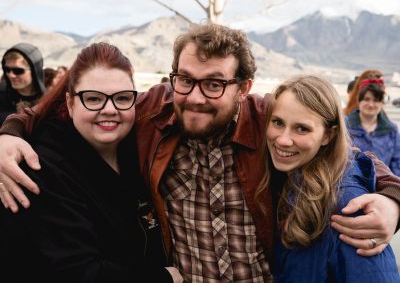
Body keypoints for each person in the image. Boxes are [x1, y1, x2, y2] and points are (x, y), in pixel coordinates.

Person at [0, 24, 400, 282]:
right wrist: (9, 134)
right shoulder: (152, 112)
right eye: (186, 80)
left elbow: (343, 151)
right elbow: (58, 107)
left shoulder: (268, 120)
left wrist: (392, 199)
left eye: (214, 85)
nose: (194, 97)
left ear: (243, 88)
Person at [0, 42, 181, 283]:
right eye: (93, 99)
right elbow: (75, 271)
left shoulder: (138, 145)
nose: (110, 109)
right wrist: (163, 278)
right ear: (71, 104)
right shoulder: (41, 169)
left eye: (122, 98)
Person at [257, 74, 400, 282]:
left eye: (302, 128)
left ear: (328, 135)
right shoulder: (292, 180)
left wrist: (394, 197)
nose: (283, 139)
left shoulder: (348, 206)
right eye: (278, 122)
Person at [346, 79, 400, 176]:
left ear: (382, 103)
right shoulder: (344, 125)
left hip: (384, 184)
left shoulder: (391, 129)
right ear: (359, 100)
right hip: (351, 183)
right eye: (366, 99)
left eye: (376, 100)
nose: (371, 104)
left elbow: (397, 163)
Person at [0, 43, 47, 124]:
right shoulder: (1, 93)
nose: (11, 75)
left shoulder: (49, 100)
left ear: (34, 71)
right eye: (7, 69)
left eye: (18, 71)